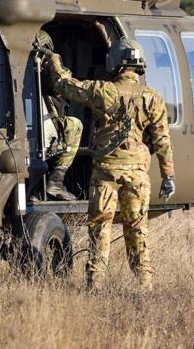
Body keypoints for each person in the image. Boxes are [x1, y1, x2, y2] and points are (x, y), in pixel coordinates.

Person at [45, 35, 176, 291]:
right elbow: (162, 140)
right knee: (138, 229)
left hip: (106, 173)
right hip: (138, 174)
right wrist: (168, 175)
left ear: (114, 63)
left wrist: (52, 58)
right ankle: (145, 285)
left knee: (99, 229)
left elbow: (64, 85)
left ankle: (95, 285)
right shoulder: (153, 98)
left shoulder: (102, 91)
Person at [36, 30, 82, 201]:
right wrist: (53, 60)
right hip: (42, 129)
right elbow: (63, 86)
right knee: (75, 125)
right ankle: (56, 180)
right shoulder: (46, 68)